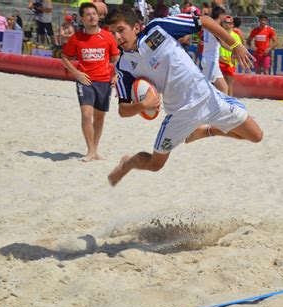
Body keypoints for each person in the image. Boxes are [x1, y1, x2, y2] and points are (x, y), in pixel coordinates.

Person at [104, 5, 262, 186]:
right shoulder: (123, 66)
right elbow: (123, 110)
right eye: (112, 33)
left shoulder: (158, 29)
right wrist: (142, 105)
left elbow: (204, 20)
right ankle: (129, 163)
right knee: (155, 165)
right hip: (178, 114)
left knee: (256, 136)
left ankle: (202, 132)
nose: (117, 37)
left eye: (120, 30)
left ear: (136, 28)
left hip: (209, 99)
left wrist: (235, 45)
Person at [61, 2, 119, 162]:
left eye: (94, 14)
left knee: (100, 118)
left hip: (104, 81)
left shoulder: (107, 36)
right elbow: (64, 57)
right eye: (88, 14)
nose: (92, 17)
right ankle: (90, 151)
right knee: (87, 115)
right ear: (82, 19)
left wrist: (117, 75)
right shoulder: (76, 38)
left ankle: (95, 149)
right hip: (85, 81)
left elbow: (117, 59)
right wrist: (76, 73)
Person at [202, 6, 228, 94]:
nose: (224, 18)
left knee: (224, 87)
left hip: (209, 59)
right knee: (206, 88)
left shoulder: (207, 25)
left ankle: (222, 107)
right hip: (211, 61)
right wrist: (235, 50)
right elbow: (223, 43)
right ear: (220, 15)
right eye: (224, 15)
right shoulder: (215, 27)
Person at [219, 15, 241, 96]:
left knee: (229, 85)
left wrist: (233, 59)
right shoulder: (219, 34)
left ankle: (230, 102)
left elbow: (238, 49)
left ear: (232, 24)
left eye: (229, 23)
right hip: (219, 60)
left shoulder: (235, 36)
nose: (227, 24)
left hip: (230, 62)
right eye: (225, 22)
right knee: (220, 84)